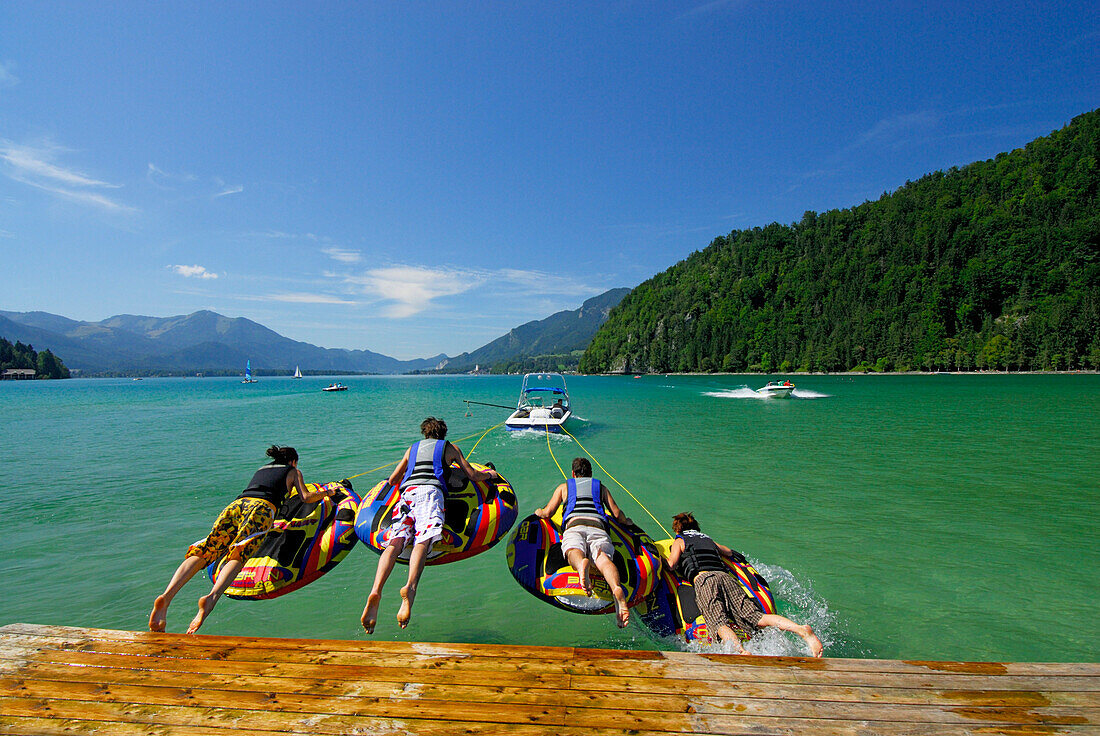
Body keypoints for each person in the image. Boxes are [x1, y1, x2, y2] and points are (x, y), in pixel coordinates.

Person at [148, 445, 333, 634]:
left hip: (236, 506)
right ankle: (211, 598)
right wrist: (328, 493)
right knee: (239, 554)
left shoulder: (261, 470)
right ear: (293, 461)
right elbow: (306, 497)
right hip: (260, 509)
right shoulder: (293, 471)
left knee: (207, 550)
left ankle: (167, 596)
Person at [361, 417, 499, 633]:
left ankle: (376, 588)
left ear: (424, 433)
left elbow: (392, 480)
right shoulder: (450, 448)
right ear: (443, 433)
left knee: (396, 541)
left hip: (407, 494)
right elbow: (471, 474)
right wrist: (490, 474)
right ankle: (410, 589)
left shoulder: (412, 449)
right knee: (423, 540)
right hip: (430, 494)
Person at [666, 512, 823, 657]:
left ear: (677, 530)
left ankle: (740, 651)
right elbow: (727, 552)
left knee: (718, 622)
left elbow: (672, 564)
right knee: (756, 617)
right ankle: (800, 629)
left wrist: (661, 559)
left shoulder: (680, 540)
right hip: (726, 577)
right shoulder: (708, 540)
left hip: (705, 580)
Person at [535, 457, 631, 627]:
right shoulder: (600, 487)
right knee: (603, 559)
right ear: (591, 473)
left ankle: (580, 565)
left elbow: (548, 512)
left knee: (572, 550)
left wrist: (539, 511)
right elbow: (616, 514)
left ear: (573, 473)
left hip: (574, 524)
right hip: (598, 527)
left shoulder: (564, 487)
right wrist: (627, 522)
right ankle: (616, 587)